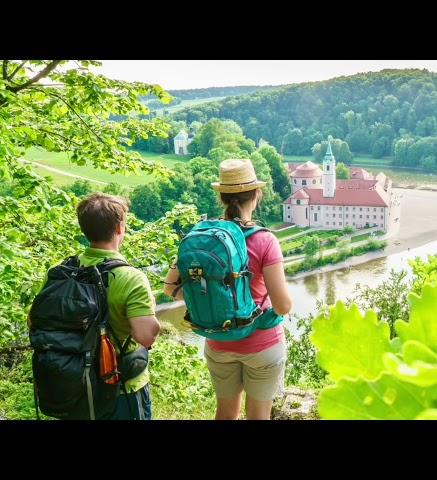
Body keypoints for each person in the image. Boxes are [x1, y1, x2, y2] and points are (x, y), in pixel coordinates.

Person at [164, 159, 292, 420]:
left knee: (225, 414)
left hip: (218, 340)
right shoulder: (265, 240)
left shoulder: (202, 235)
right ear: (256, 195)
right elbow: (283, 306)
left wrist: (207, 303)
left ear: (222, 197)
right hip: (263, 345)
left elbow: (169, 288)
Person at [76, 193, 160, 419]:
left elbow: (34, 322)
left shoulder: (63, 271)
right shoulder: (130, 277)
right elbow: (146, 337)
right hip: (121, 389)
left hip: (75, 385)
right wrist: (149, 305)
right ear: (120, 228)